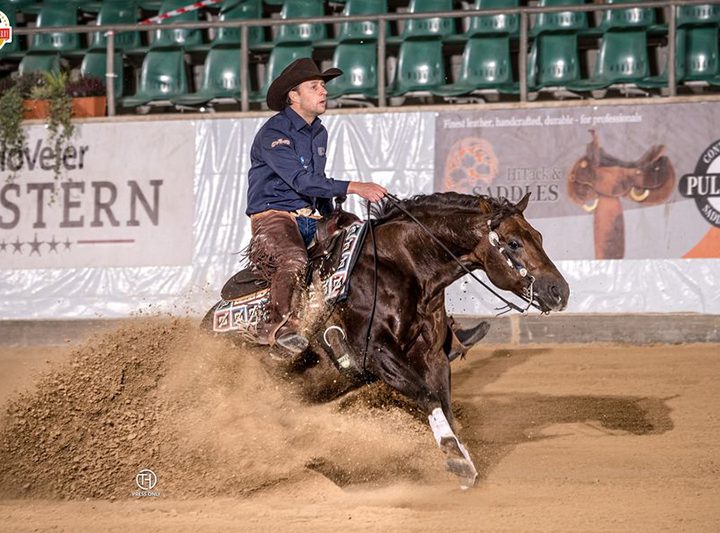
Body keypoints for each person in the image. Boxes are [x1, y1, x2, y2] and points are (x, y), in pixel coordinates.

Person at [245, 58, 387, 354]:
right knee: (294, 260)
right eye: (314, 86)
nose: (323, 91)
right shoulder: (274, 133)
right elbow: (301, 181)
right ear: (293, 96)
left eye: (323, 85)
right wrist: (353, 187)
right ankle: (278, 328)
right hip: (273, 216)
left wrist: (333, 213)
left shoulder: (318, 131)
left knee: (363, 237)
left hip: (309, 216)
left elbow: (315, 182)